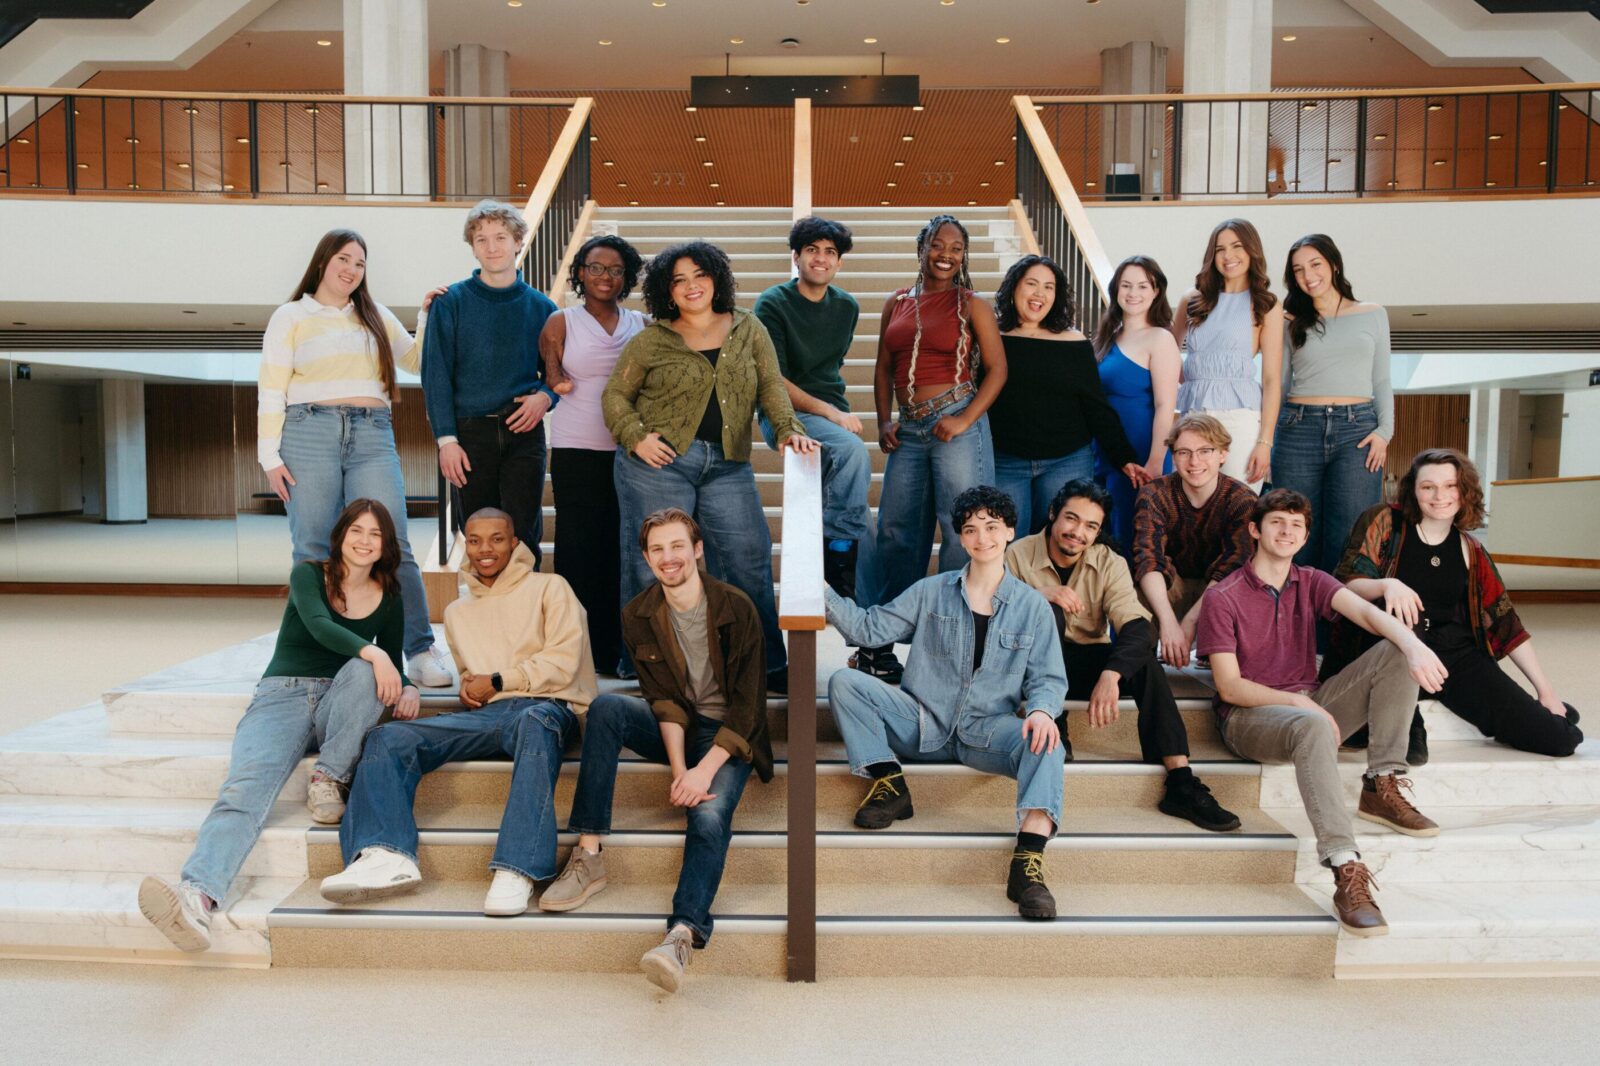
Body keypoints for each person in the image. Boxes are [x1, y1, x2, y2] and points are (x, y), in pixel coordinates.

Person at [138, 499, 419, 953]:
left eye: (375, 534)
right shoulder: (309, 575)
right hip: (282, 696)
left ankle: (328, 776)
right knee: (243, 790)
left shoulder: (389, 596)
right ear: (341, 535)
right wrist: (375, 653)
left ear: (386, 545)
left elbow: (392, 668)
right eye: (357, 530)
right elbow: (320, 626)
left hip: (340, 704)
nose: (365, 541)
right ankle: (196, 898)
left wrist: (408, 687)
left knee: (366, 670)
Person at [318, 508, 597, 915]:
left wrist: (498, 680)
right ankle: (385, 855)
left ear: (515, 543)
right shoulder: (456, 612)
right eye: (476, 540)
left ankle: (517, 868)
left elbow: (563, 662)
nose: (486, 549)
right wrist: (470, 688)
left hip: (549, 707)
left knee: (534, 722)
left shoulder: (551, 588)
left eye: (497, 539)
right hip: (490, 715)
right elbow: (471, 674)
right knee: (387, 737)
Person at [1196, 488, 1450, 936]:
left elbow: (1367, 615)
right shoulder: (1224, 596)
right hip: (1248, 718)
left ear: (1305, 536)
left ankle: (1381, 782)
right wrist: (1297, 702)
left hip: (1310, 705)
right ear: (1255, 530)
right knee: (1310, 721)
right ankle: (1344, 865)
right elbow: (1229, 686)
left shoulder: (1310, 580)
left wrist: (1413, 645)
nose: (1287, 531)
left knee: (1395, 651)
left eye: (1296, 525)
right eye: (1277, 522)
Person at [541, 509, 773, 995]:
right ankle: (589, 854)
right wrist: (679, 769)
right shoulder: (638, 613)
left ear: (698, 549)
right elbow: (664, 702)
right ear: (646, 558)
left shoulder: (736, 607)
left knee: (709, 816)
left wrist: (703, 772)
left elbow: (749, 708)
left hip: (728, 735)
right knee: (606, 708)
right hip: (681, 731)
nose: (669, 558)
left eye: (677, 546)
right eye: (658, 550)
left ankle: (682, 933)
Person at [827, 486, 1068, 920]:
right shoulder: (931, 591)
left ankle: (1027, 865)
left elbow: (1048, 679)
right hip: (922, 720)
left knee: (1048, 742)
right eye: (971, 529)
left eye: (992, 527)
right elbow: (868, 628)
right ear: (960, 537)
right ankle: (889, 784)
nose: (982, 538)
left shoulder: (1033, 607)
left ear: (1010, 532)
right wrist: (821, 593)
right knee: (845, 681)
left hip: (987, 732)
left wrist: (1041, 710)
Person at [602, 241, 816, 692]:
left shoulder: (747, 327)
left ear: (716, 278)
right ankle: (648, 666)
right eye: (678, 280)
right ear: (666, 291)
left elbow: (771, 387)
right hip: (658, 465)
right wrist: (636, 436)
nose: (691, 286)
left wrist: (787, 429)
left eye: (699, 275)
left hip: (727, 463)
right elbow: (616, 395)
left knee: (748, 558)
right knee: (652, 564)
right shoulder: (652, 340)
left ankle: (765, 664)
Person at [257, 228, 452, 687]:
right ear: (322, 262)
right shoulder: (291, 315)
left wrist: (426, 316)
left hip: (371, 432)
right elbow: (271, 386)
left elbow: (417, 361)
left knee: (393, 541)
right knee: (313, 546)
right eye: (343, 259)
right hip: (307, 430)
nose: (351, 270)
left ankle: (419, 650)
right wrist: (269, 456)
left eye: (360, 263)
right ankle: (316, 655)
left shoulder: (374, 314)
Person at [1007, 478, 1240, 831]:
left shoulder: (1109, 561)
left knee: (1144, 659)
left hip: (1085, 662)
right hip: (1031, 672)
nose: (1078, 533)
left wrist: (1111, 674)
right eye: (1071, 519)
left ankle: (1180, 780)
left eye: (1091, 526)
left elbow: (1136, 625)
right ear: (1053, 513)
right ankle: (1054, 723)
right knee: (1048, 611)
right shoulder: (1017, 554)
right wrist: (1039, 596)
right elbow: (992, 613)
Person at [1327, 448, 1583, 762]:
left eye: (1450, 486)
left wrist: (1546, 692)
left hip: (1452, 654)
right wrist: (1387, 585)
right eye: (1428, 487)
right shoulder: (1385, 521)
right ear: (1413, 491)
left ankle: (1545, 715)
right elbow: (1345, 584)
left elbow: (1505, 622)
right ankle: (1408, 725)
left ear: (1464, 491)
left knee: (1560, 740)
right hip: (1389, 649)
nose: (1440, 496)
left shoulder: (1471, 549)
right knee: (1410, 613)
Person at [853, 214, 1007, 683]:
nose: (946, 254)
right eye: (937, 245)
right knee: (897, 532)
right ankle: (882, 644)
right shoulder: (896, 302)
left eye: (956, 248)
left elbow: (998, 371)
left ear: (964, 255)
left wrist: (963, 419)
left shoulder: (972, 305)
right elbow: (884, 366)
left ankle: (956, 642)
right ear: (921, 248)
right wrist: (884, 419)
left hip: (955, 421)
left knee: (962, 531)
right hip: (910, 429)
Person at [422, 199, 561, 567]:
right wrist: (446, 440)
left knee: (523, 536)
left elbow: (558, 375)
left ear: (518, 242)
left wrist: (545, 397)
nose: (492, 247)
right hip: (469, 435)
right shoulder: (450, 303)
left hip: (523, 432)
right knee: (479, 536)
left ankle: (523, 605)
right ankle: (484, 605)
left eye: (501, 237)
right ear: (472, 247)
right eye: (481, 239)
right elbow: (435, 375)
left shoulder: (543, 309)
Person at [540, 234, 649, 674]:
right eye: (597, 268)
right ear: (581, 273)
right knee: (578, 551)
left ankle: (616, 651)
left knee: (621, 549)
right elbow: (553, 379)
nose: (606, 277)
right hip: (576, 449)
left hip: (629, 450)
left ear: (627, 277)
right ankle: (576, 651)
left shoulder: (641, 324)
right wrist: (557, 381)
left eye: (616, 270)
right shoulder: (560, 321)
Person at [988, 254, 1148, 535]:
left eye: (1049, 287)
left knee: (1058, 542)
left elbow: (1095, 406)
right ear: (1014, 287)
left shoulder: (1073, 341)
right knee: (1008, 542)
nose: (1040, 293)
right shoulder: (991, 336)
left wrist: (1124, 456)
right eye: (1032, 283)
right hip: (1006, 460)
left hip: (1065, 460)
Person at [753, 215, 870, 597]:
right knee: (852, 452)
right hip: (782, 412)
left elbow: (831, 366)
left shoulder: (847, 307)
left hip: (827, 412)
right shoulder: (772, 303)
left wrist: (832, 411)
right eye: (811, 250)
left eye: (830, 252)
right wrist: (832, 413)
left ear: (840, 261)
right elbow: (772, 379)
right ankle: (837, 564)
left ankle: (840, 573)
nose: (821, 258)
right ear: (796, 257)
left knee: (849, 488)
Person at [1271, 233, 1392, 573]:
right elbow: (1279, 382)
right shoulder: (1289, 320)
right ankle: (1298, 608)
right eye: (1298, 270)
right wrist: (1267, 439)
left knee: (1349, 535)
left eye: (1315, 264)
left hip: (1358, 431)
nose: (1308, 275)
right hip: (1297, 429)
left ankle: (1340, 610)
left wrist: (1385, 431)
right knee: (1295, 532)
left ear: (1334, 265)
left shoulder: (1373, 313)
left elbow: (1382, 379)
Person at [1133, 413, 1257, 668]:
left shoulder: (1242, 499)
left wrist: (1189, 623)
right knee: (1136, 589)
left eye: (1205, 451)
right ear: (1173, 456)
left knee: (1244, 584)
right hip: (1172, 585)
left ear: (1223, 454)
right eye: (1184, 452)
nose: (1194, 461)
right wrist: (1168, 623)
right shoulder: (1154, 493)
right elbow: (1148, 557)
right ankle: (1141, 664)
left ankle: (1219, 657)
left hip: (1216, 590)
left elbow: (1233, 566)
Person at [1171, 218, 1285, 491]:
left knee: (1239, 500)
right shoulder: (1192, 299)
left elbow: (1271, 380)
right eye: (1220, 249)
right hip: (1194, 413)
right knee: (1191, 500)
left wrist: (1265, 442)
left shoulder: (1266, 304)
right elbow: (1168, 350)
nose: (1228, 256)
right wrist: (1191, 378)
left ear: (1252, 250)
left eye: (1237, 246)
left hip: (1240, 417)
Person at [1091, 255, 1180, 554]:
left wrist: (1155, 460)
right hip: (1105, 448)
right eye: (1126, 285)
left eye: (1143, 286)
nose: (1133, 293)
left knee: (1133, 534)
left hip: (1142, 450)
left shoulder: (1160, 338)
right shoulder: (1106, 336)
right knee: (1104, 531)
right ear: (1116, 290)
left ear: (1156, 291)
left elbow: (1165, 405)